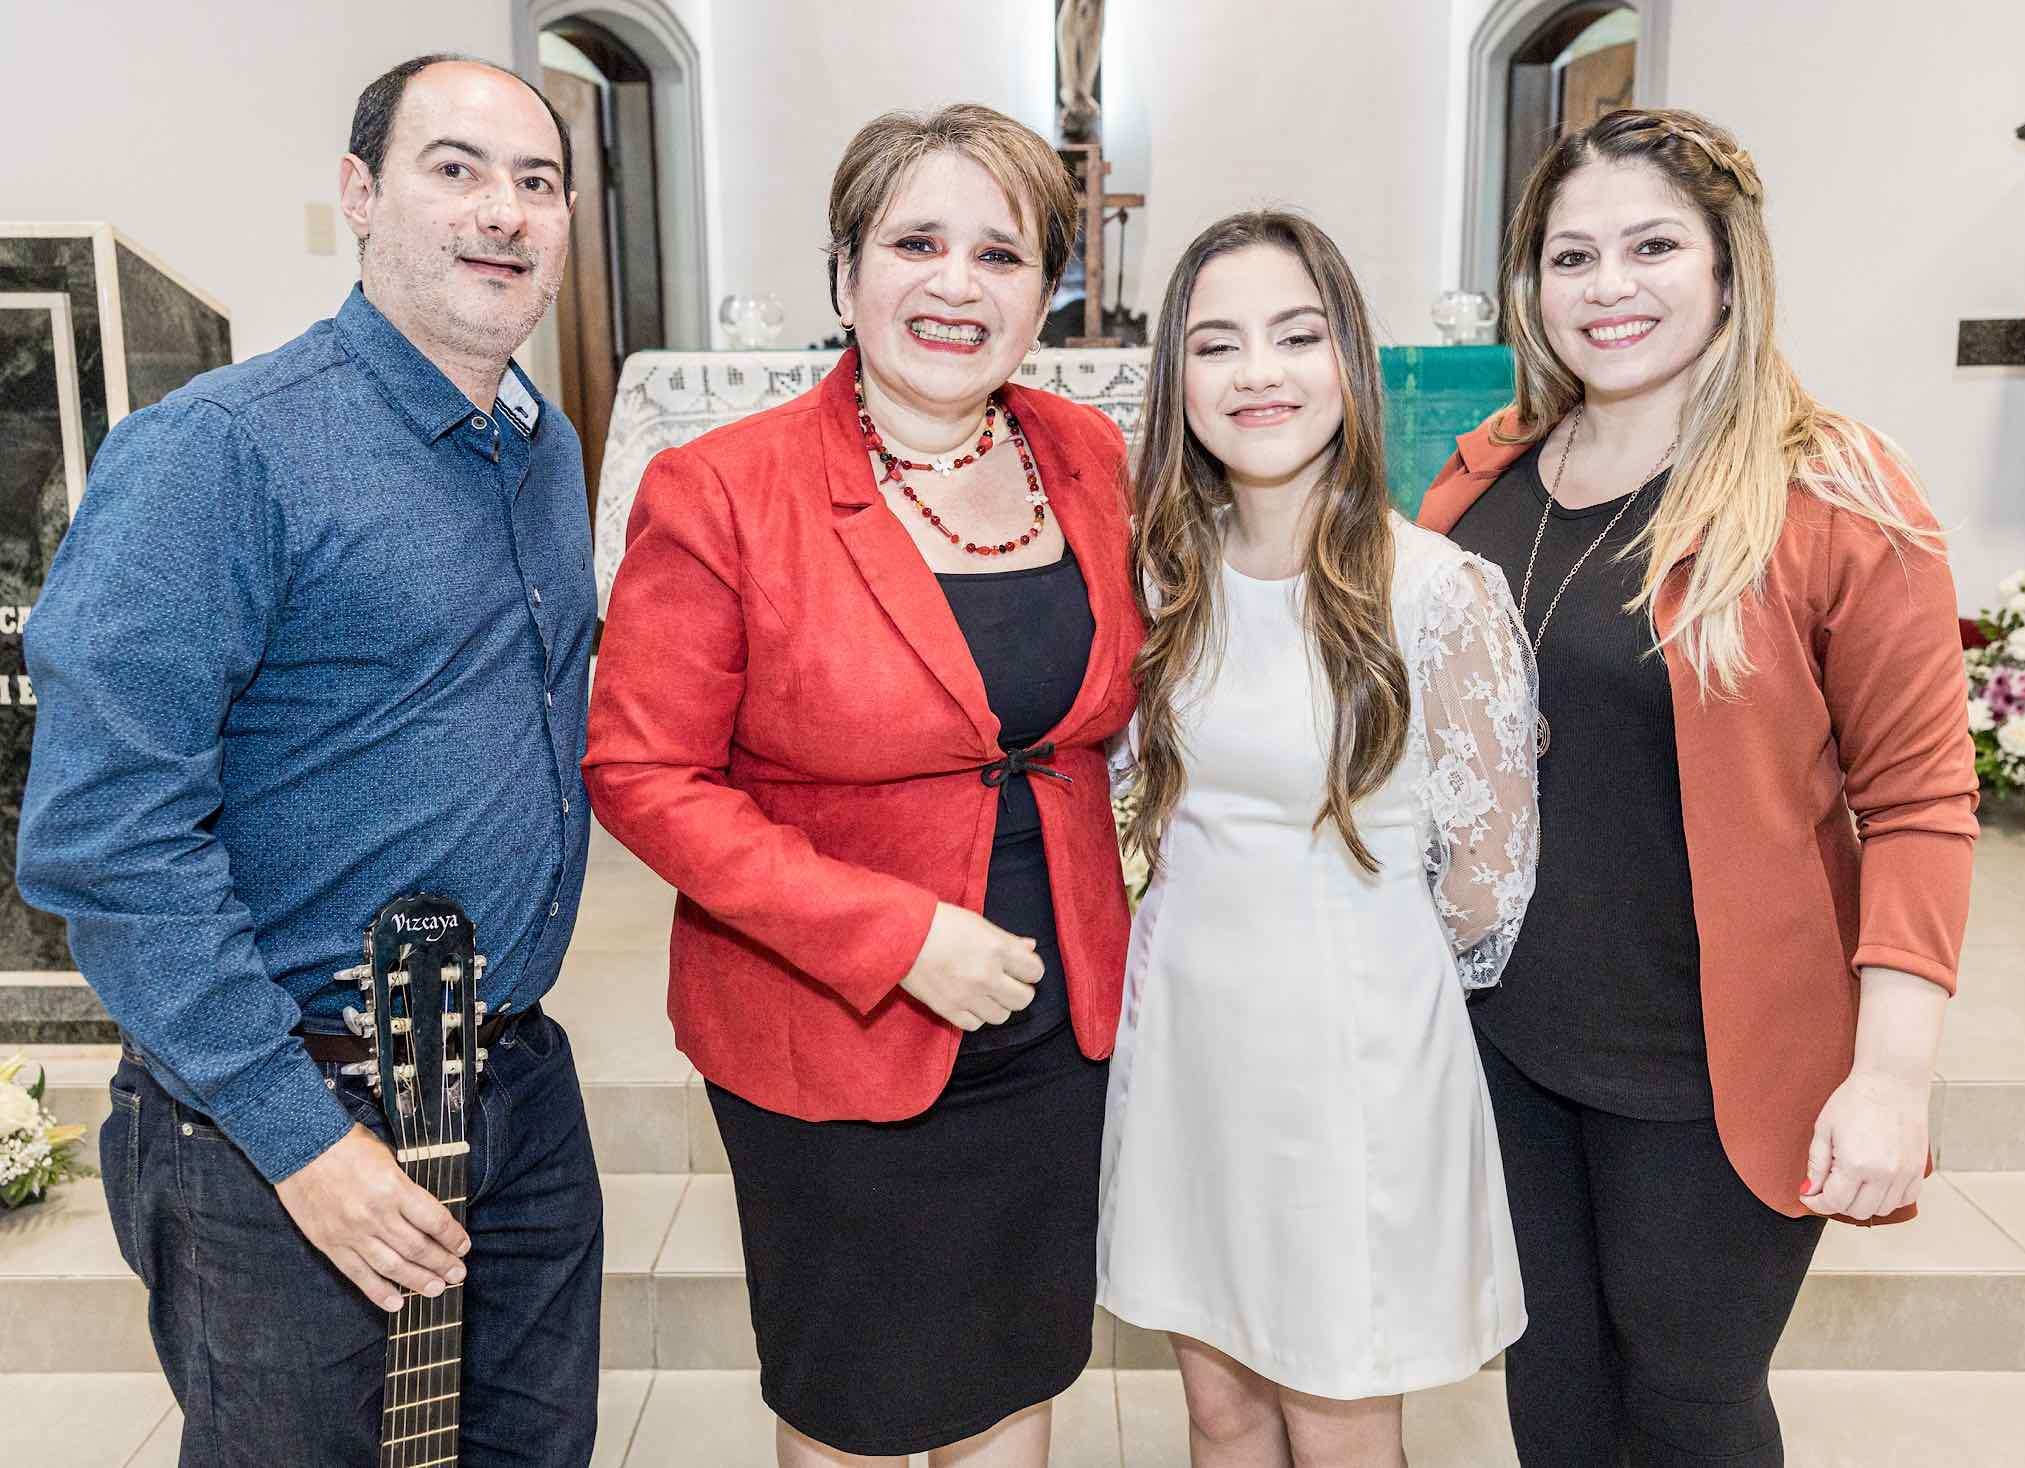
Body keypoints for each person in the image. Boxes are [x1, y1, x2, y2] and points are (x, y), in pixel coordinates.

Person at [18, 54, 604, 1466]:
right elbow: (106, 838)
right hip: (286, 1112)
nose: (503, 211)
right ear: (359, 192)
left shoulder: (542, 450)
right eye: (455, 169)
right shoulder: (219, 453)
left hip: (513, 1088)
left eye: (536, 182)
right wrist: (299, 1137)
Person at [584, 103, 1144, 1467]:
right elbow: (642, 770)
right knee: (855, 1404)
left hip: (1057, 1016)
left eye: (1000, 254)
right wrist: (894, 937)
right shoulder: (722, 487)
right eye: (915, 243)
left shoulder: (1089, 455)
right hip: (830, 1026)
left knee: (1016, 1373)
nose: (957, 284)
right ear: (843, 277)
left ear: (1045, 297)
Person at [1421, 108, 1979, 1466]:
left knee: (1686, 1407)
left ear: (1728, 265)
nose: (1607, 287)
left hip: (1708, 1063)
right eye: (1572, 256)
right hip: (1502, 1043)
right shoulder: (1485, 475)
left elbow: (1918, 802)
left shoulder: (1829, 491)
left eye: (1652, 247)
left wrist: (1891, 1076)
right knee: (1553, 1394)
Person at [1097, 211, 1537, 1468]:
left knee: (1338, 1421)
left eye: (1295, 336)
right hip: (1189, 1039)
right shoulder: (1159, 577)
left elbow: (1488, 880)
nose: (1259, 373)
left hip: (1351, 1056)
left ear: (1349, 357)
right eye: (1217, 343)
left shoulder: (1436, 590)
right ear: (1177, 378)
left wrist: (1364, 975)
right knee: (1221, 1411)